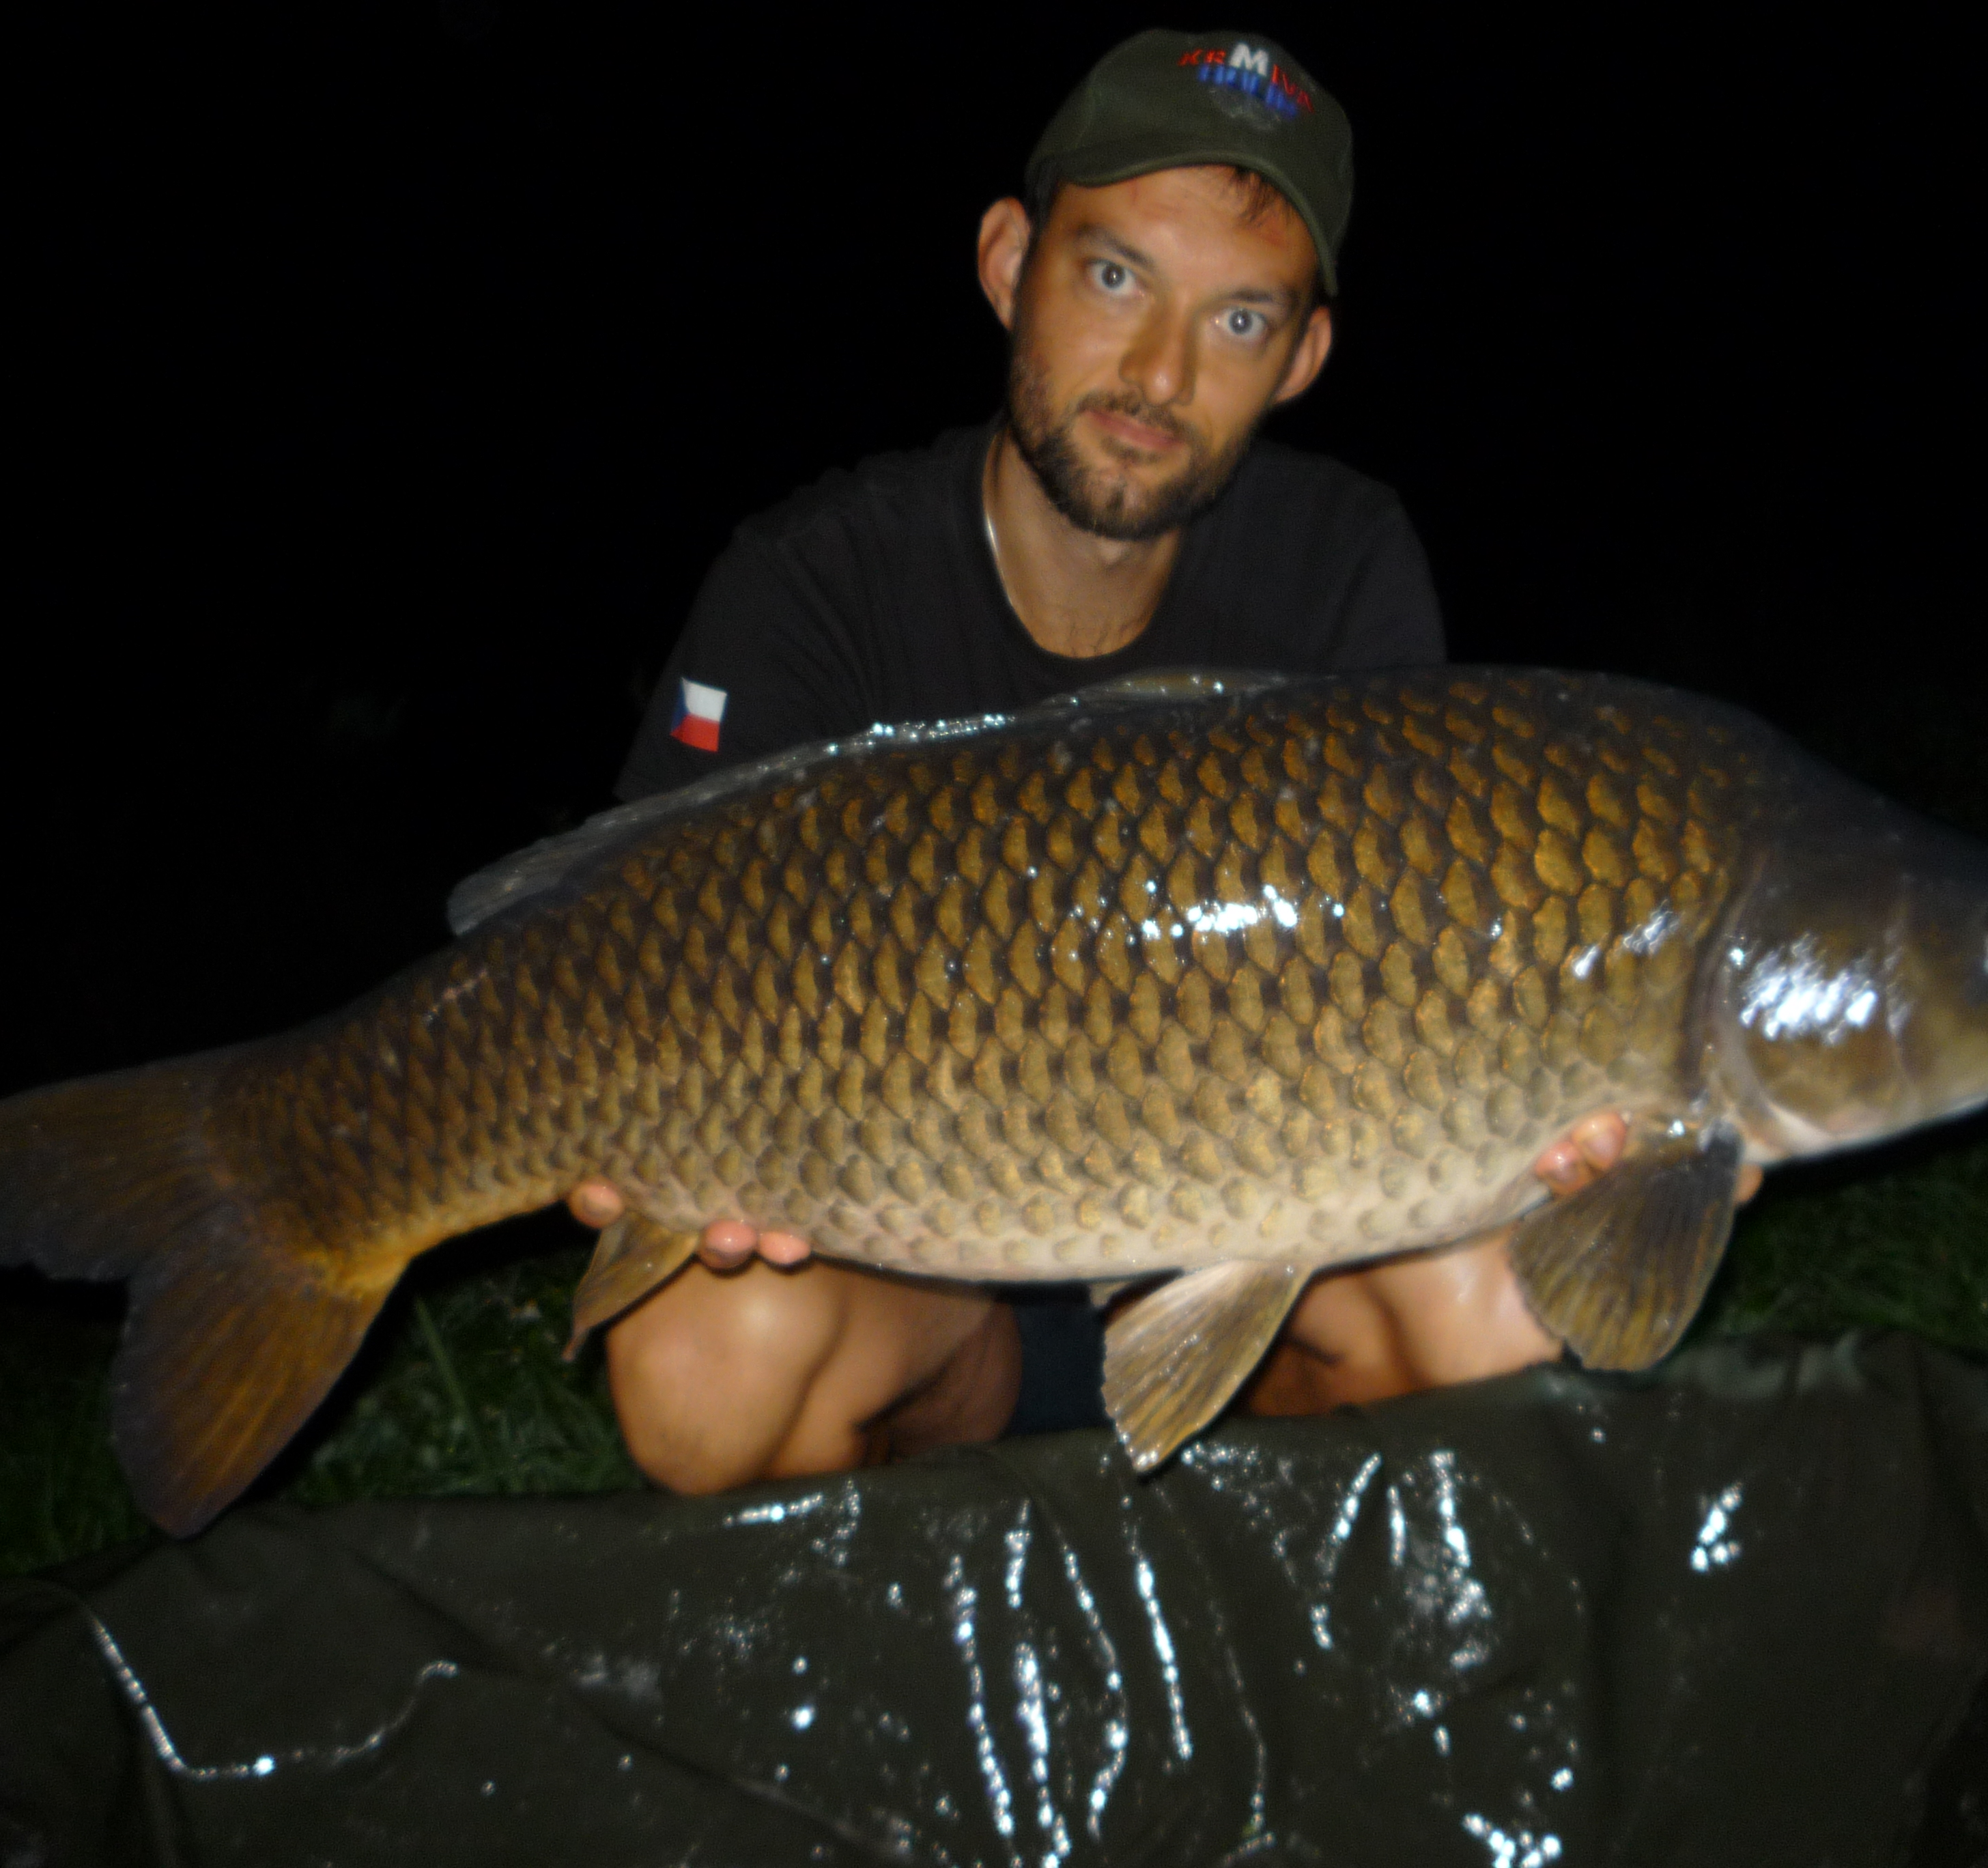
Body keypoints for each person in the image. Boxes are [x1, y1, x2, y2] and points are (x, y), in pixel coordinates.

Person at [571, 30, 1755, 1492]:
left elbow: (1431, 974)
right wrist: (629, 1126)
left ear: (1305, 357)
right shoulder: (816, 584)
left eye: (1240, 319)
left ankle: (1252, 1558)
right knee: (703, 1368)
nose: (1156, 372)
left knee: (1496, 1317)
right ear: (1011, 264)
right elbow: (622, 948)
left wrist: (1609, 1117)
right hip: (916, 1268)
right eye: (1115, 276)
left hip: (1254, 1251)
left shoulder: (1341, 568)